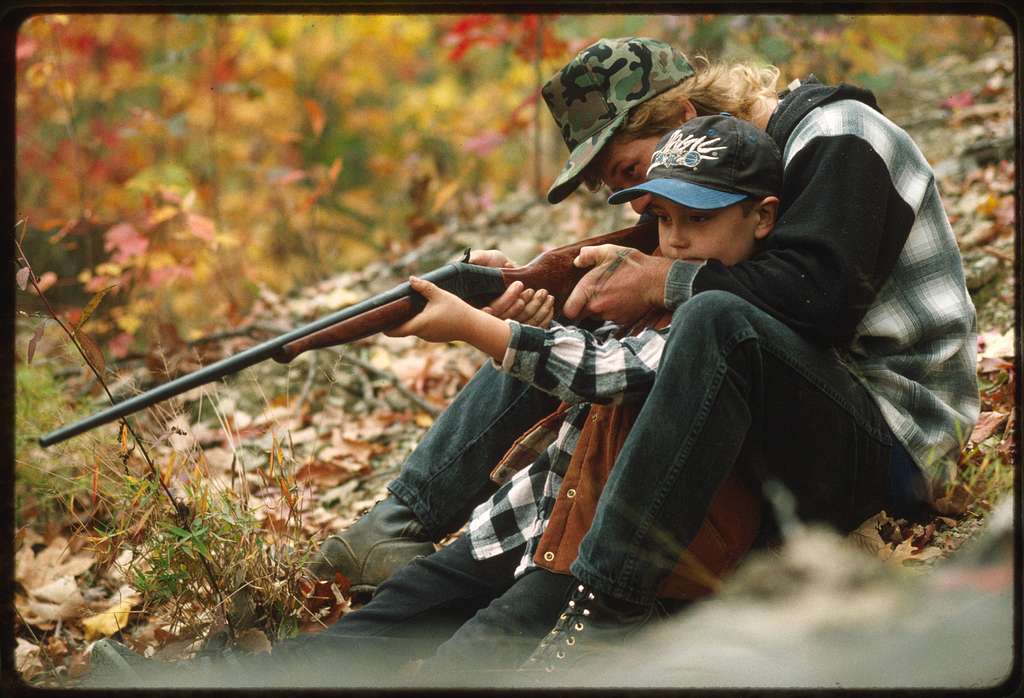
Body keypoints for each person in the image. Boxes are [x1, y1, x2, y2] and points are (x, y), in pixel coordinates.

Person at [89, 114, 782, 686]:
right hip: (535, 520)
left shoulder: (724, 319)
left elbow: (610, 373)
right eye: (661, 218)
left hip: (598, 560)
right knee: (392, 613)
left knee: (465, 662)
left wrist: (477, 327)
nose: (674, 239)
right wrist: (532, 306)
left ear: (763, 218)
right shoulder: (653, 284)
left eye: (698, 218)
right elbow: (578, 393)